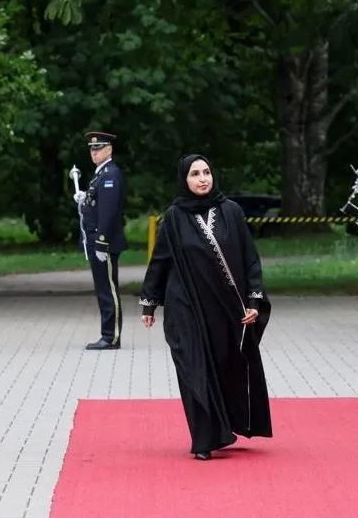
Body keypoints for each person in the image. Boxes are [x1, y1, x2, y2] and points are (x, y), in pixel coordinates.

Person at [139, 154, 272, 460]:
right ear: (184, 179)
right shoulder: (174, 216)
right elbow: (161, 260)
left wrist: (254, 299)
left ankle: (226, 425)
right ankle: (204, 439)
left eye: (206, 172)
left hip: (223, 308)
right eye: (195, 174)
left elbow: (250, 258)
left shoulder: (231, 212)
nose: (202, 179)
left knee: (225, 365)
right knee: (193, 368)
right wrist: (149, 303)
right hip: (185, 306)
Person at [74, 131, 127, 350]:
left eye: (98, 149)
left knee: (108, 289)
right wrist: (84, 197)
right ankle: (108, 334)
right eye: (92, 149)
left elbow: (108, 211)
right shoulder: (101, 174)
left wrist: (102, 242)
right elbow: (97, 204)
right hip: (97, 240)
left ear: (109, 150)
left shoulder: (110, 175)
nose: (94, 153)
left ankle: (111, 336)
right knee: (103, 288)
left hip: (103, 242)